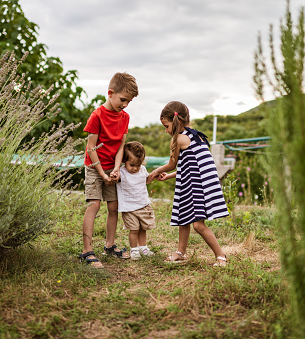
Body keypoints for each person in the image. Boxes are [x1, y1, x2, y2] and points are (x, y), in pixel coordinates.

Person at [148, 101, 230, 267]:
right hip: (194, 182)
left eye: (166, 126)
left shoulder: (180, 138)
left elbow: (172, 163)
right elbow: (189, 166)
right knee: (183, 217)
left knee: (198, 225)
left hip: (198, 186)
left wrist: (155, 172)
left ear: (176, 121)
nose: (166, 130)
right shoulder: (196, 136)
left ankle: (221, 256)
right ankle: (181, 252)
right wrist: (168, 177)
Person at [79, 72, 138, 268]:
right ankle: (87, 250)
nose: (125, 104)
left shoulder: (125, 117)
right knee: (94, 205)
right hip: (95, 167)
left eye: (129, 101)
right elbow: (91, 147)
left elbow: (121, 146)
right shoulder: (97, 116)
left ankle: (109, 246)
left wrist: (116, 170)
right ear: (110, 93)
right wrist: (102, 174)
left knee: (113, 207)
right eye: (123, 99)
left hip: (112, 168)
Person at [116, 141, 156, 260]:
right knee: (134, 229)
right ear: (124, 161)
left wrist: (154, 176)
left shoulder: (142, 170)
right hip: (129, 207)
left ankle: (142, 247)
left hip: (143, 204)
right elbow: (115, 179)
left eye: (138, 165)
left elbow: (146, 180)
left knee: (143, 228)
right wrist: (113, 176)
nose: (135, 168)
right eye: (132, 165)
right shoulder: (121, 172)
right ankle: (134, 249)